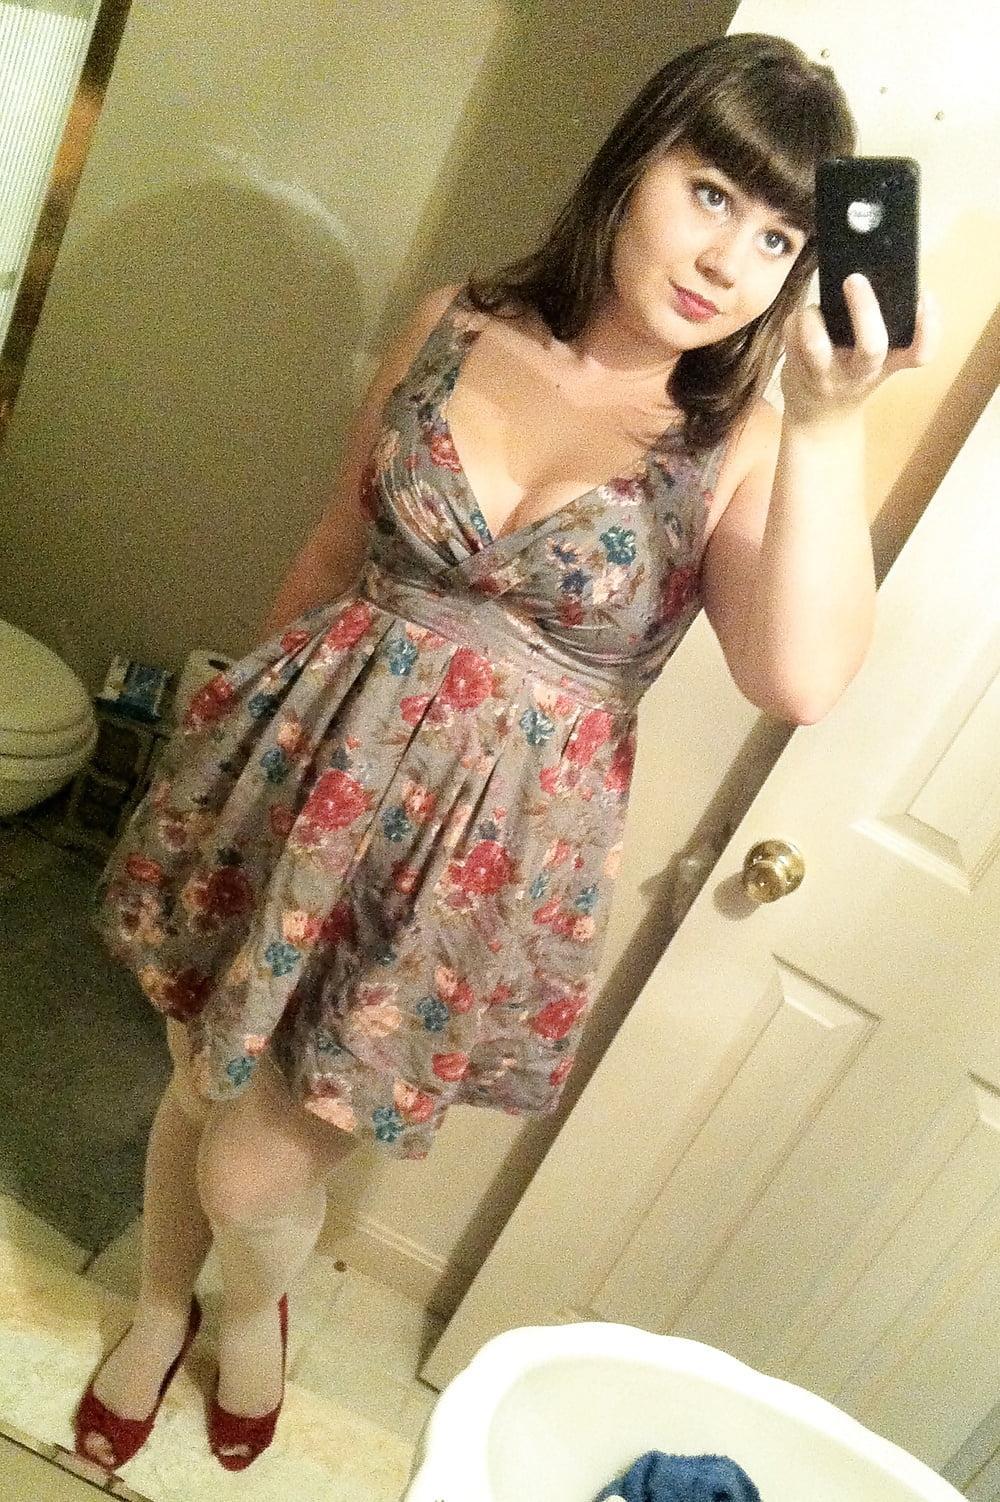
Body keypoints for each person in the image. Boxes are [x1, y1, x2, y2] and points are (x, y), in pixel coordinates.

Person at [74, 31, 937, 1474]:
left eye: (780, 236)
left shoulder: (737, 442)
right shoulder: (460, 324)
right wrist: (222, 736)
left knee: (255, 1162)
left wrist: (834, 422)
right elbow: (335, 542)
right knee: (199, 1075)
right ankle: (161, 1311)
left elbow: (801, 676)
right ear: (637, 162)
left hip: (461, 869)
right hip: (290, 771)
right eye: (712, 193)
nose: (729, 260)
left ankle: (252, 1314)